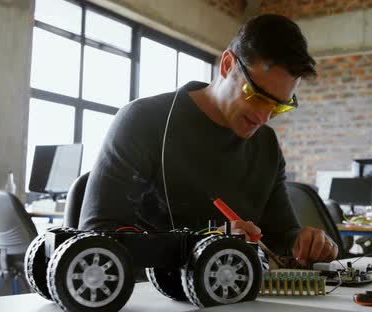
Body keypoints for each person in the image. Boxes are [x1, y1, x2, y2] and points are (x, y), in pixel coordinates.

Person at [79, 14, 338, 265]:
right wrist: (209, 244)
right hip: (148, 292)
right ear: (227, 65)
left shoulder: (266, 144)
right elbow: (98, 234)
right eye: (257, 96)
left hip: (230, 291)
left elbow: (281, 235)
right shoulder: (144, 121)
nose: (264, 116)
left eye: (278, 106)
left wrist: (305, 243)